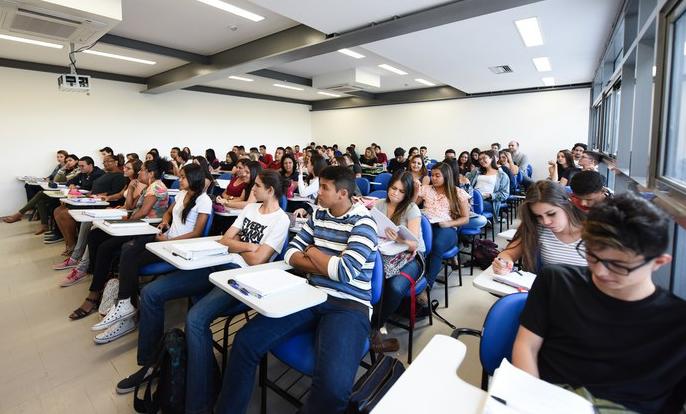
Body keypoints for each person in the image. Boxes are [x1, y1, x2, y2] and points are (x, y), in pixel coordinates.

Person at [115, 170, 291, 411]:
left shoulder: (281, 220)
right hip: (215, 263)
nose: (253, 190)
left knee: (195, 319)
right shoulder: (251, 210)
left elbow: (258, 261)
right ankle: (151, 365)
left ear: (270, 190)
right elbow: (225, 239)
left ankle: (197, 403)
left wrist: (237, 247)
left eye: (257, 186)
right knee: (151, 294)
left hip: (238, 277)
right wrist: (248, 245)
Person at [216, 166, 378, 414]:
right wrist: (325, 260)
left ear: (342, 194)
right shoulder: (319, 214)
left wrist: (312, 251)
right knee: (245, 341)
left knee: (333, 390)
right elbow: (291, 253)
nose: (318, 191)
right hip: (309, 293)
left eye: (324, 187)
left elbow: (344, 273)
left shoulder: (365, 224)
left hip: (348, 305)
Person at [512, 192, 686, 414]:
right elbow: (526, 346)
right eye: (592, 256)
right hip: (548, 400)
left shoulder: (678, 322)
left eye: (617, 264)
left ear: (658, 262)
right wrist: (530, 402)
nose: (600, 271)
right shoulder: (557, 281)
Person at [91, 163, 212, 343]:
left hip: (178, 247)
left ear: (193, 179)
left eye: (183, 177)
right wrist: (164, 223)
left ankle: (126, 308)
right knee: (128, 249)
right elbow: (168, 214)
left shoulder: (204, 200)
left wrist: (169, 241)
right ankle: (126, 305)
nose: (179, 180)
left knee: (131, 255)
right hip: (165, 240)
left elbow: (197, 233)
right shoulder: (181, 195)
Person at [68, 158, 170, 320]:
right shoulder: (148, 187)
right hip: (135, 223)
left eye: (142, 169)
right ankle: (101, 278)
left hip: (145, 229)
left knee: (105, 247)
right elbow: (131, 207)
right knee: (94, 236)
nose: (139, 172)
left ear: (151, 173)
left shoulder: (157, 187)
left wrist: (124, 222)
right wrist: (130, 189)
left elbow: (143, 212)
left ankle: (94, 294)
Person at [56, 159, 144, 277]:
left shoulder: (138, 184)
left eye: (128, 168)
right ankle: (76, 256)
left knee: (93, 227)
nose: (124, 169)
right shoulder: (129, 181)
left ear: (137, 171)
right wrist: (107, 197)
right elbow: (119, 194)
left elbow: (130, 206)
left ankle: (83, 265)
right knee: (86, 222)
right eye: (125, 167)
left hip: (125, 215)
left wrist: (128, 194)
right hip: (119, 210)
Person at [372, 171, 425, 352]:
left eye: (401, 191)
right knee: (370, 277)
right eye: (393, 188)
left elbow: (414, 245)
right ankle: (370, 320)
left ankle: (375, 324)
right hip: (385, 252)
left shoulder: (412, 209)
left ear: (407, 193)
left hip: (411, 257)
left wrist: (399, 240)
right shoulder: (379, 204)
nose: (395, 193)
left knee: (394, 286)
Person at [492, 180, 587, 275]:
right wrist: (503, 263)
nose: (546, 222)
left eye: (551, 214)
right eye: (538, 216)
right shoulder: (537, 227)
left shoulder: (595, 232)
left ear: (568, 204)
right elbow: (508, 253)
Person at [52, 155, 125, 252]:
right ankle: (68, 243)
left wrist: (98, 195)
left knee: (64, 213)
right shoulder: (106, 174)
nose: (106, 164)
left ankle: (72, 245)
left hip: (100, 204)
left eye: (109, 161)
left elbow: (115, 192)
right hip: (91, 199)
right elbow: (92, 188)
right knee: (58, 210)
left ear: (116, 162)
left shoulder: (119, 176)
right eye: (104, 162)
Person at [416, 162, 470, 290]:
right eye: (432, 175)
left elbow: (465, 219)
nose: (433, 178)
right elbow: (412, 206)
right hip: (427, 224)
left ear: (446, 176)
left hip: (446, 228)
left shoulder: (458, 192)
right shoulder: (426, 189)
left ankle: (427, 285)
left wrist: (448, 223)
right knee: (416, 243)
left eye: (437, 176)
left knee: (436, 245)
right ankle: (415, 280)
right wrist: (415, 189)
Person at [3, 154, 79, 233]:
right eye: (66, 161)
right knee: (40, 198)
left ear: (76, 161)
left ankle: (19, 214)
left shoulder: (78, 170)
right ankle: (44, 225)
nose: (68, 163)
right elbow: (56, 180)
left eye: (70, 161)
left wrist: (63, 169)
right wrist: (63, 168)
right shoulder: (66, 169)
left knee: (40, 193)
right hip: (62, 192)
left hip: (69, 195)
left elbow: (68, 179)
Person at [465, 150, 510, 217]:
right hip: (472, 197)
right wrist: (465, 180)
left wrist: (490, 195)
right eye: (480, 159)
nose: (481, 161)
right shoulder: (477, 171)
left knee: (470, 205)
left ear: (492, 158)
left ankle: (475, 222)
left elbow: (505, 194)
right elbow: (466, 179)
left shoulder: (502, 175)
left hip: (489, 201)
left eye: (484, 158)